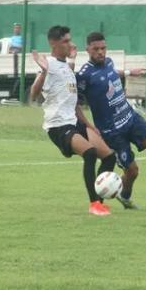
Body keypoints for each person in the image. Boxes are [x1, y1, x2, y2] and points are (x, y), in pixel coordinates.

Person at [76, 32, 146, 210]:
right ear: (88, 50)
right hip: (112, 133)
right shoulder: (84, 75)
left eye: (103, 48)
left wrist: (130, 72)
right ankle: (125, 197)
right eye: (96, 49)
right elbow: (74, 102)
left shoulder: (109, 62)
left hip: (130, 118)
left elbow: (112, 73)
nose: (101, 52)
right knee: (132, 171)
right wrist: (89, 126)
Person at [30, 25, 117, 216]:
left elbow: (72, 101)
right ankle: (94, 204)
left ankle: (100, 202)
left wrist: (89, 126)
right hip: (58, 126)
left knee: (109, 157)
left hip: (75, 122)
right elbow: (33, 95)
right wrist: (43, 72)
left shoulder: (67, 67)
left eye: (70, 39)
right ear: (53, 44)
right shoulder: (49, 65)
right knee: (90, 153)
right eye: (65, 41)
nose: (70, 43)